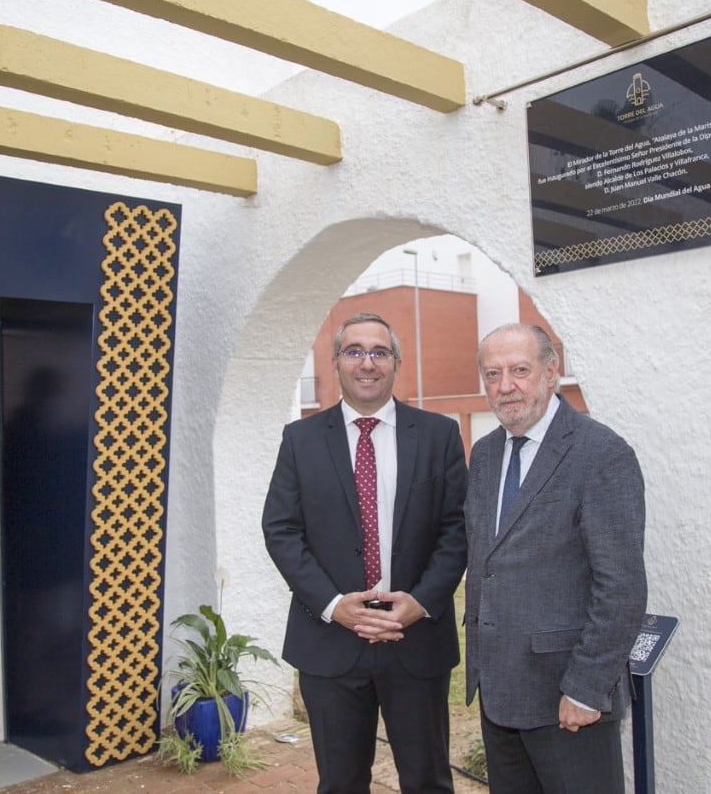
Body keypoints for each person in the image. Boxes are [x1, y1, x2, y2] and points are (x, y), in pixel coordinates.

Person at [262, 312, 467, 793]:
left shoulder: (438, 434)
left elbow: (457, 528)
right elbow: (281, 529)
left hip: (415, 641)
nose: (367, 363)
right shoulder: (301, 439)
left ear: (396, 363)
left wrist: (421, 601)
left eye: (379, 352)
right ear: (336, 362)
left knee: (429, 782)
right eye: (355, 351)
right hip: (330, 644)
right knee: (340, 783)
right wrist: (336, 606)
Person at [464, 324, 647, 794]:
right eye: (493, 374)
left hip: (568, 700)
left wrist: (586, 688)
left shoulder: (600, 454)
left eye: (519, 370)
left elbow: (620, 588)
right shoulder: (485, 455)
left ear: (551, 373)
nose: (505, 386)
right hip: (500, 695)